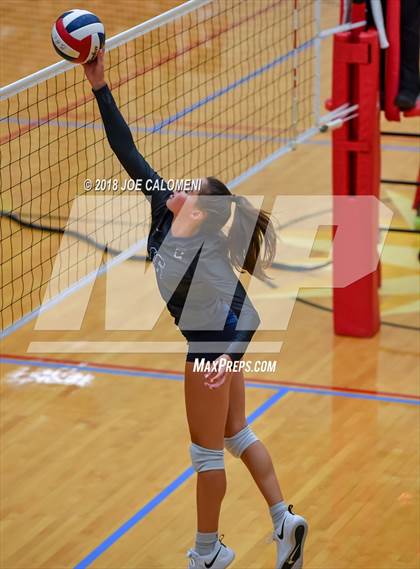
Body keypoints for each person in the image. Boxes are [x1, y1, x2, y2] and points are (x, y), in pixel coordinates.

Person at [83, 49, 308, 569]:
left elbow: (248, 317)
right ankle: (283, 520)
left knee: (206, 454)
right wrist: (99, 85)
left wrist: (222, 364)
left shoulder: (207, 260)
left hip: (210, 351)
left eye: (190, 188)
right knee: (236, 434)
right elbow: (126, 149)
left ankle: (208, 553)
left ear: (201, 209)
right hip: (216, 351)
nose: (177, 186)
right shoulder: (164, 208)